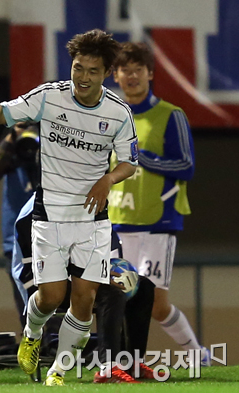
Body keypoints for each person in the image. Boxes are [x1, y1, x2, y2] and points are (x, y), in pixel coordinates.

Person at [0, 29, 138, 386]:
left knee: (85, 297)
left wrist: (108, 180)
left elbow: (130, 162)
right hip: (50, 215)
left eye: (92, 71)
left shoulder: (119, 112)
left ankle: (59, 371)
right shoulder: (50, 96)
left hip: (93, 218)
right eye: (78, 68)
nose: (83, 77)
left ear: (106, 73)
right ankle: (31, 334)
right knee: (50, 297)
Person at [110, 42, 209, 364]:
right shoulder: (108, 116)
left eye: (139, 69)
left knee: (155, 304)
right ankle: (123, 363)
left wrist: (142, 159)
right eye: (126, 70)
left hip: (157, 223)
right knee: (116, 298)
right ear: (116, 75)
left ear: (150, 74)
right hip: (116, 223)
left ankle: (197, 354)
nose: (132, 76)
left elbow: (186, 166)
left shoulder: (171, 115)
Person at [12, 194, 159, 383]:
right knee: (111, 294)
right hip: (43, 283)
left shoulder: (92, 201)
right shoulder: (31, 215)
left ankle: (131, 362)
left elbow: (108, 251)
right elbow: (29, 268)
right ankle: (109, 367)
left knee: (143, 287)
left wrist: (110, 272)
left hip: (81, 275)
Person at [0, 121, 39, 328]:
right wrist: (12, 138)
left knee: (53, 300)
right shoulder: (11, 153)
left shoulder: (48, 149)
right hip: (15, 241)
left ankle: (53, 346)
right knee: (25, 304)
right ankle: (34, 348)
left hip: (48, 235)